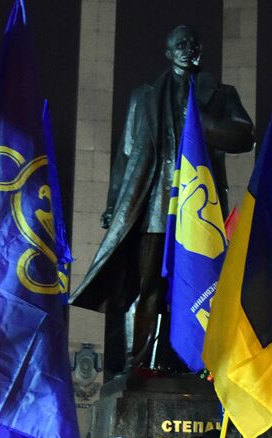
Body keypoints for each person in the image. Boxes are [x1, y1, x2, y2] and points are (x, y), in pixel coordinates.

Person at [72, 24, 254, 373]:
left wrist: (200, 121)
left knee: (196, 284)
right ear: (168, 53)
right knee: (148, 283)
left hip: (198, 208)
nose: (188, 49)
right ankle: (137, 360)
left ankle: (195, 362)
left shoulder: (221, 94)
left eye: (194, 44)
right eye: (180, 45)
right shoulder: (143, 97)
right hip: (155, 204)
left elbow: (245, 135)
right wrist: (114, 204)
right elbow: (126, 155)